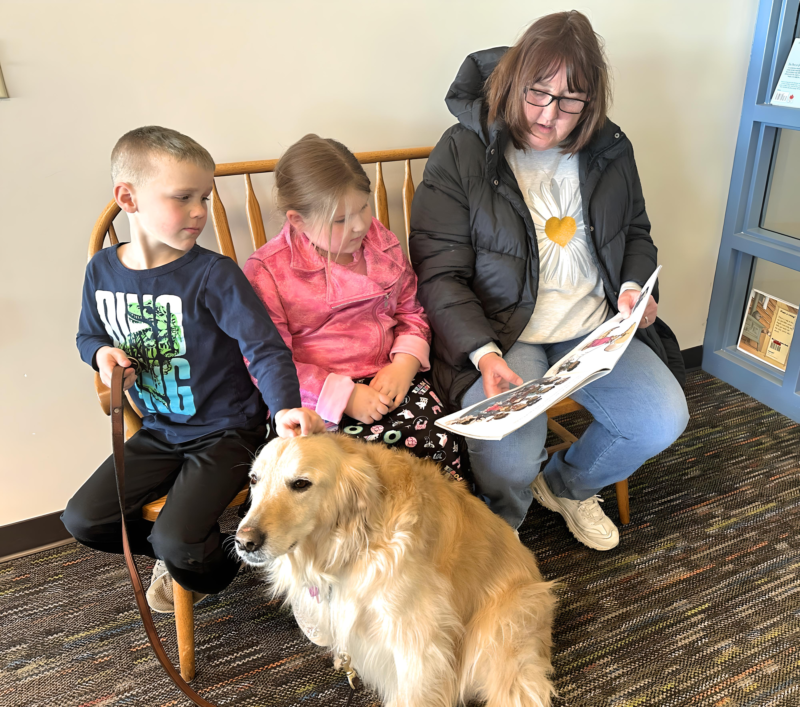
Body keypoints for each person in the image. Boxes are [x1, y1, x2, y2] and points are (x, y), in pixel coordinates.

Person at [409, 11, 689, 550]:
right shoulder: (462, 149)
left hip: (592, 326)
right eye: (537, 93)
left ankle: (565, 485)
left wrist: (635, 289)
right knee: (510, 451)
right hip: (502, 332)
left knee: (661, 418)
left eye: (570, 101)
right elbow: (439, 272)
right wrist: (485, 356)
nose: (548, 114)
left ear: (592, 102)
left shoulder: (609, 148)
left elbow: (634, 232)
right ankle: (501, 528)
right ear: (514, 80)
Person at [63, 126, 324, 613]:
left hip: (227, 430)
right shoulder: (101, 270)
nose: (200, 211)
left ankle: (194, 555)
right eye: (183, 198)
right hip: (160, 429)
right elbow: (87, 336)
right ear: (128, 197)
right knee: (84, 519)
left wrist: (286, 406)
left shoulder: (213, 274)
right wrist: (102, 356)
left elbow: (264, 347)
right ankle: (201, 555)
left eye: (204, 197)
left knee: (176, 538)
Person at [243, 134, 470, 484]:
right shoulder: (268, 271)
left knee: (440, 441)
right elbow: (269, 361)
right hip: (317, 400)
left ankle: (435, 530)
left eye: (364, 207)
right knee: (347, 477)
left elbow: (412, 311)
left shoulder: (381, 242)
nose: (360, 225)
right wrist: (344, 396)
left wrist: (405, 364)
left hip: (391, 377)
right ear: (298, 220)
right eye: (340, 220)